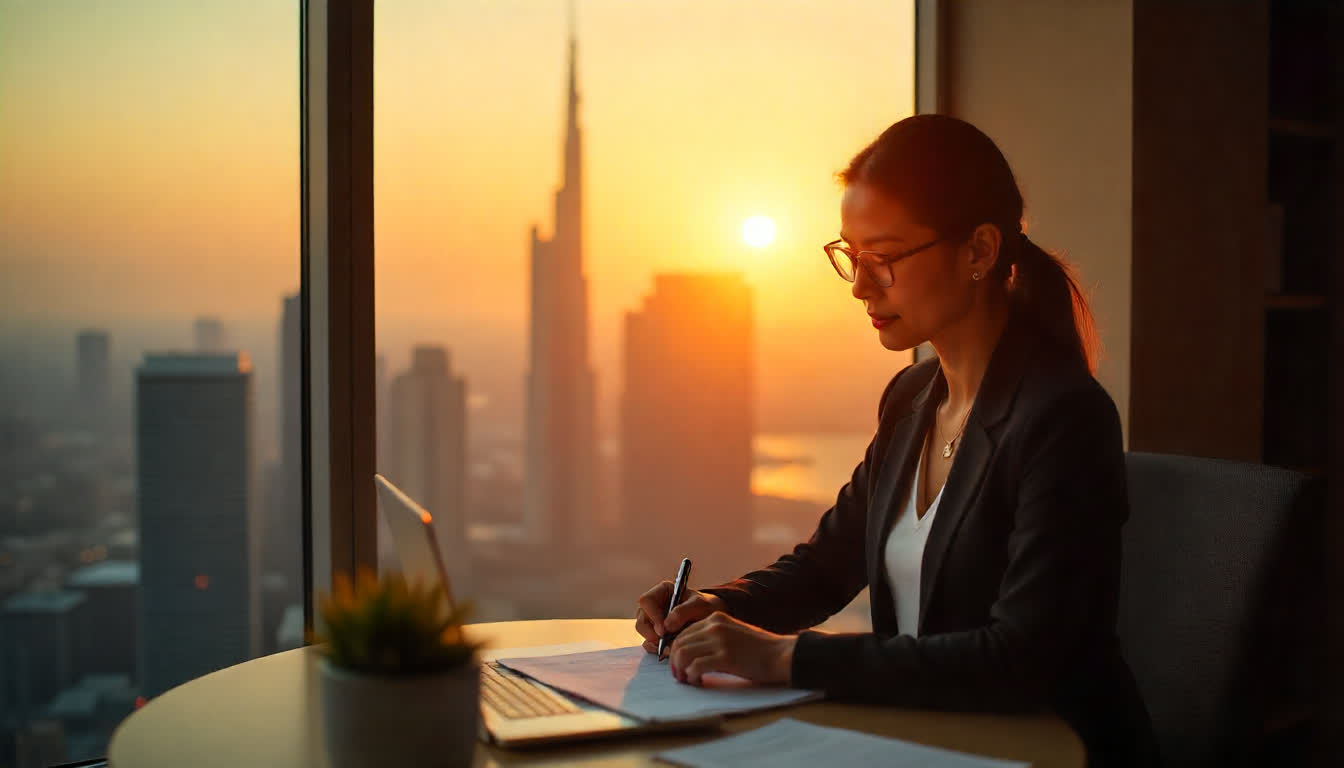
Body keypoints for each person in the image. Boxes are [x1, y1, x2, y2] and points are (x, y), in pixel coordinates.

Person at [634, 114, 1159, 767]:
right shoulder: (912, 399)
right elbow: (828, 565)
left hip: (1046, 750)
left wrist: (784, 658)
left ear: (979, 252)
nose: (860, 286)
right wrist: (713, 606)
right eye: (852, 257)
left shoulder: (1064, 417)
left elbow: (1019, 659)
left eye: (883, 259)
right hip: (930, 742)